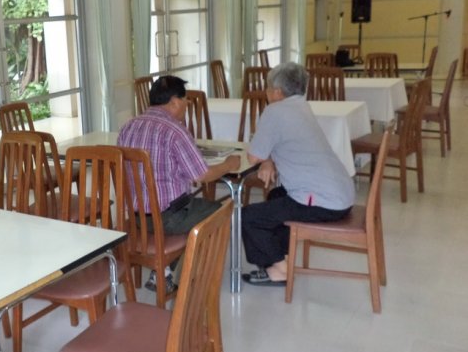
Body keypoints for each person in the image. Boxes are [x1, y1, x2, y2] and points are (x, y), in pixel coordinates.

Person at [118, 75, 241, 292]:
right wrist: (228, 165)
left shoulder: (128, 127)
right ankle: (198, 281)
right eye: (185, 100)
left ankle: (162, 273)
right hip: (168, 219)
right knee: (219, 210)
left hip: (136, 218)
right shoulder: (175, 130)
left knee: (187, 205)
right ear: (175, 101)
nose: (187, 104)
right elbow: (202, 175)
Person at [241, 62, 355, 286]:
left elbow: (253, 156)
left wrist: (264, 159)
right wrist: (268, 160)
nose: (266, 92)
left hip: (322, 201)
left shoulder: (275, 111)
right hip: (340, 194)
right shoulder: (302, 106)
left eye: (267, 87)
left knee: (248, 217)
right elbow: (269, 148)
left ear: (277, 92)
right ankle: (282, 256)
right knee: (276, 197)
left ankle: (280, 270)